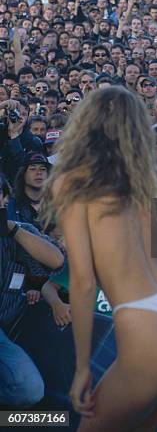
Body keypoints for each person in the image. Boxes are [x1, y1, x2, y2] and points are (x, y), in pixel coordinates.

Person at [41, 87, 157, 431]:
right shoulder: (141, 178)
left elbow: (84, 281)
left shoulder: (72, 181)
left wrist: (82, 368)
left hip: (153, 324)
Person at [0, 173, 64, 406]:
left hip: (3, 334)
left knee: (30, 389)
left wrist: (9, 228)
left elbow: (56, 261)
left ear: (5, 200)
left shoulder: (18, 231)